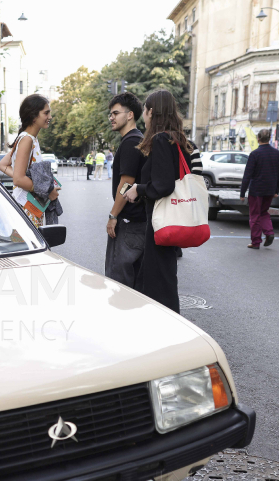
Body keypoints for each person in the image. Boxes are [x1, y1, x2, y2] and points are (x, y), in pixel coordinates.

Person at [122, 89, 192, 313]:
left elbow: (164, 185)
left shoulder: (162, 139)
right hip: (170, 218)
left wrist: (138, 189)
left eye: (144, 109)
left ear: (151, 111)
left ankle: (168, 328)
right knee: (159, 277)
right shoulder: (176, 138)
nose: (144, 114)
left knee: (160, 281)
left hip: (161, 220)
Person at [105, 91, 146, 288]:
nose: (111, 117)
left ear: (130, 115)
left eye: (115, 113)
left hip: (129, 223)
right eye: (110, 114)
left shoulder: (131, 142)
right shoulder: (139, 139)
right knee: (134, 283)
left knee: (118, 283)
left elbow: (126, 183)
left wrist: (113, 215)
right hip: (139, 222)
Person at [0, 94, 58, 227]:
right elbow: (18, 179)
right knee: (28, 246)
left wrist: (28, 181)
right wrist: (47, 191)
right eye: (46, 113)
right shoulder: (27, 140)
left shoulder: (27, 138)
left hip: (28, 205)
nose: (50, 117)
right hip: (27, 208)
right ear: (33, 115)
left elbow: (2, 165)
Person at [239, 128, 279, 249]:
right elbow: (278, 174)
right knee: (264, 212)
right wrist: (276, 191)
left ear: (258, 138)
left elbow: (247, 175)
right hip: (270, 190)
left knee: (254, 216)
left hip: (256, 190)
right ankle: (269, 232)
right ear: (269, 138)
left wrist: (242, 193)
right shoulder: (276, 153)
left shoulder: (255, 154)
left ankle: (256, 242)